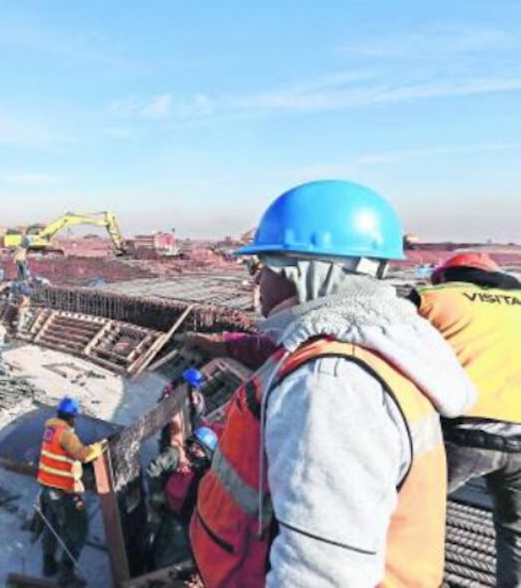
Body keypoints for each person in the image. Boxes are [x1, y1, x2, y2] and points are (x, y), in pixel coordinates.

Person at [189, 180, 475, 587]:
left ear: (304, 273)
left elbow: (321, 572)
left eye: (264, 268)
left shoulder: (332, 384)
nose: (258, 284)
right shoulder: (363, 355)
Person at [410, 252, 521, 586]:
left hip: (459, 431)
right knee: (514, 532)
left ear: (446, 276)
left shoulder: (431, 299)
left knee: (408, 519)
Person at [37, 396, 106, 587]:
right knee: (78, 531)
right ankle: (66, 574)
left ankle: (48, 564)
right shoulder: (66, 434)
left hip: (48, 488)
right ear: (72, 417)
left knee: (53, 526)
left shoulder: (50, 430)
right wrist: (99, 447)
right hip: (65, 492)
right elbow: (82, 454)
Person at [146, 426, 218, 570]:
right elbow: (153, 468)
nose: (195, 451)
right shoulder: (177, 456)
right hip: (168, 513)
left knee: (178, 554)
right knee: (161, 549)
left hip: (189, 521)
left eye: (201, 449)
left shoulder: (207, 473)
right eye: (194, 445)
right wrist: (156, 493)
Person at [156, 368, 207, 471]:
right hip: (173, 423)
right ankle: (164, 464)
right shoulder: (173, 391)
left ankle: (168, 461)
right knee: (169, 443)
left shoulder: (197, 397)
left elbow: (199, 412)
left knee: (176, 445)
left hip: (187, 424)